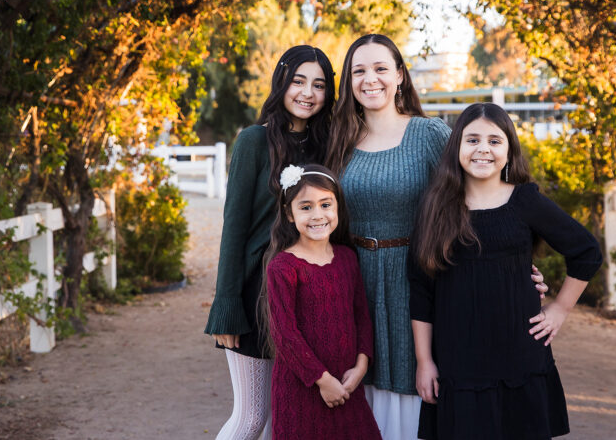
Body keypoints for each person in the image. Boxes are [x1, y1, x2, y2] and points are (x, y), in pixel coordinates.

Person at [326, 35, 548, 440]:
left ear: (399, 75)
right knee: (357, 387)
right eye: (359, 71)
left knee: (420, 389)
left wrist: (516, 265)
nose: (370, 79)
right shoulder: (338, 140)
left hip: (421, 281)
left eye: (380, 68)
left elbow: (480, 197)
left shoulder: (429, 134)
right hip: (354, 281)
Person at [408, 102, 603, 440]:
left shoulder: (525, 201)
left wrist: (560, 308)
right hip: (459, 363)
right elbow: (421, 290)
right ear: (456, 148)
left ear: (510, 150)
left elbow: (586, 251)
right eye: (472, 140)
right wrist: (425, 362)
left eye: (495, 141)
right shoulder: (435, 206)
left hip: (520, 359)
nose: (483, 149)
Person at [204, 46, 335, 440]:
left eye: (319, 85)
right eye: (298, 81)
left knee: (287, 416)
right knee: (252, 417)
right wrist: (226, 305)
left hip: (309, 293)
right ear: (281, 82)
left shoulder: (329, 145)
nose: (308, 93)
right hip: (256, 294)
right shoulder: (253, 141)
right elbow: (234, 227)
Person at [264, 164, 382, 440]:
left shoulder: (347, 258)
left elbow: (361, 316)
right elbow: (285, 335)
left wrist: (361, 366)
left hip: (347, 385)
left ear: (338, 207)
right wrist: (323, 381)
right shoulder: (283, 267)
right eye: (306, 207)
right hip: (302, 391)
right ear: (289, 214)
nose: (317, 215)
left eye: (325, 204)